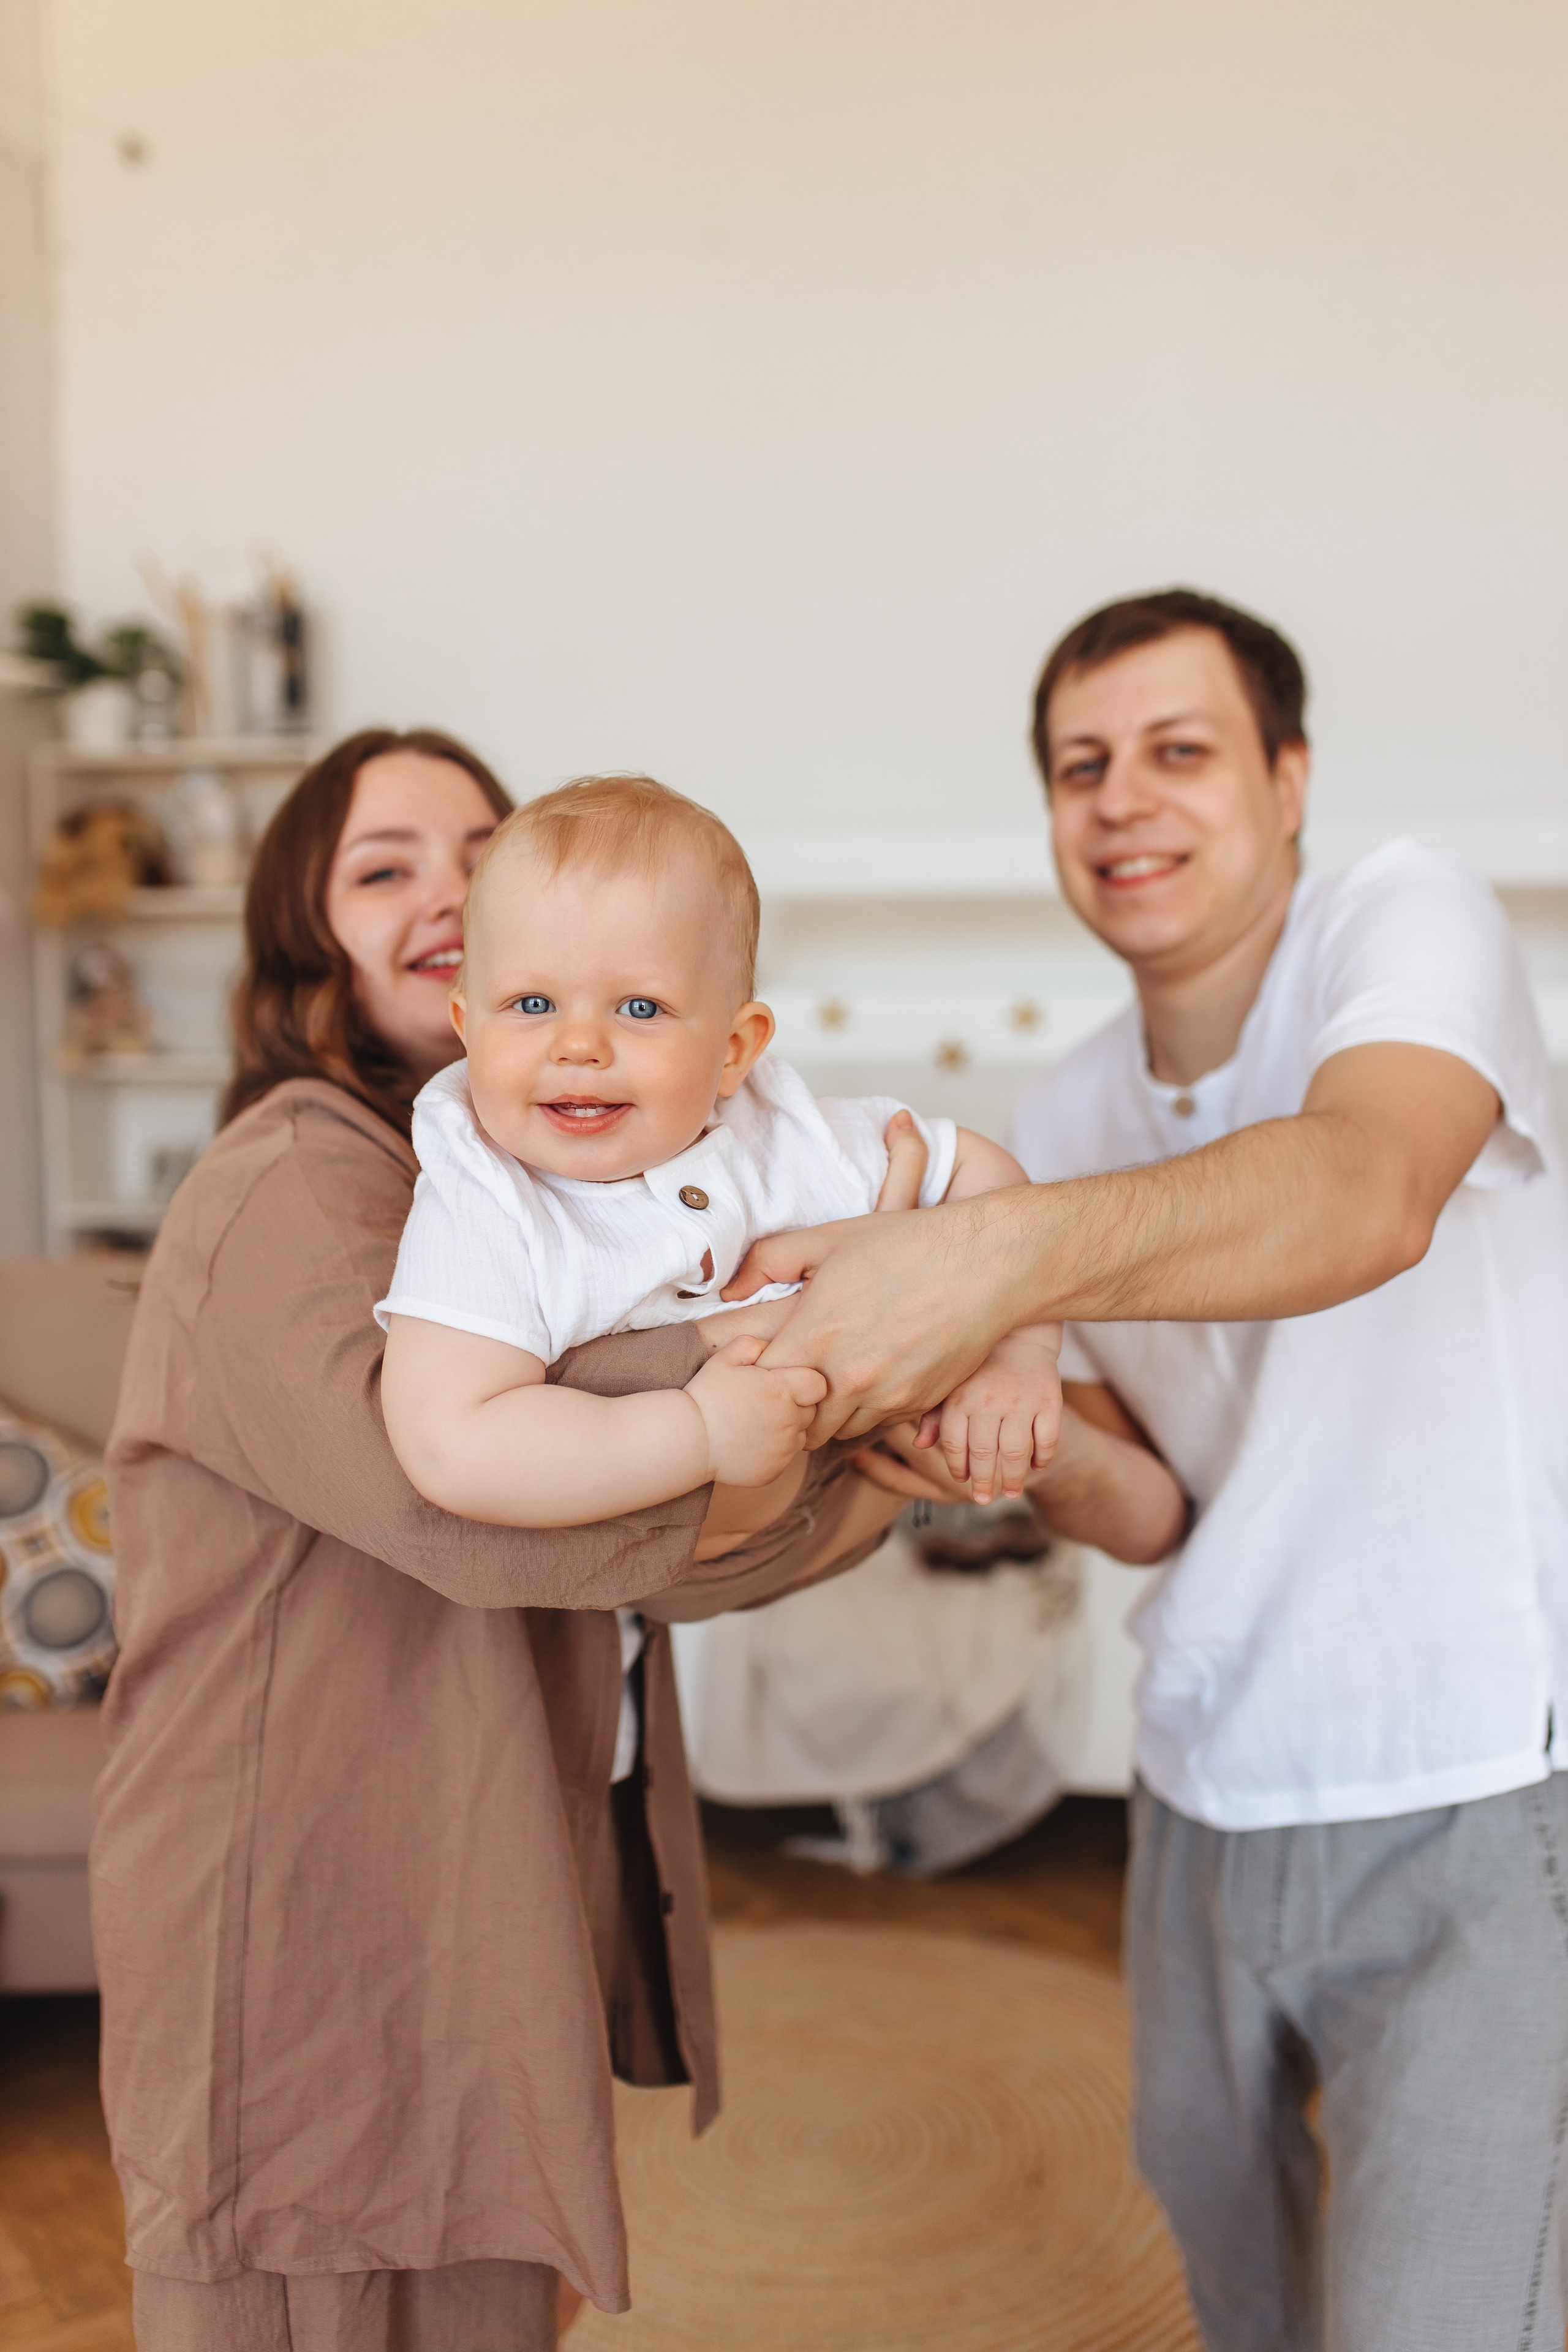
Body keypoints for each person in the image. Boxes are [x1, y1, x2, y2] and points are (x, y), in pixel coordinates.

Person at [737, 590, 1568, 2350]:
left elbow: (1366, 1192)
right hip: (1202, 1782)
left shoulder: (1399, 919)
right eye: (1079, 766)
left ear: (1288, 780)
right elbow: (1157, 1503)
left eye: (1177, 752)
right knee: (1237, 2289)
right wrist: (998, 1435)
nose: (1122, 799)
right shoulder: (1067, 1109)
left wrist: (984, 1264)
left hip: (1478, 1778)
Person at [92, 729, 914, 2352]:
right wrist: (856, 1377)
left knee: (488, 2289)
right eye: (382, 868)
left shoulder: (532, 1198)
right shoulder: (291, 1176)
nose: (448, 893)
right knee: (308, 2283)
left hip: (485, 1863)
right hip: (304, 1883)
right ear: (304, 934)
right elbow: (468, 1514)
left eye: (480, 854)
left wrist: (844, 1409)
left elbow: (682, 1530)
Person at [378, 773, 1063, 1537]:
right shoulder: (483, 1200)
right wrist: (696, 1433)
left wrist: (1018, 1351)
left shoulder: (787, 1136)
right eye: (532, 1004)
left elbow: (982, 1177)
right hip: (678, 1559)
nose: (578, 1045)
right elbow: (453, 1447)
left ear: (734, 1050)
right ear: (468, 1027)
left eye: (640, 1008)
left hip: (850, 1503)